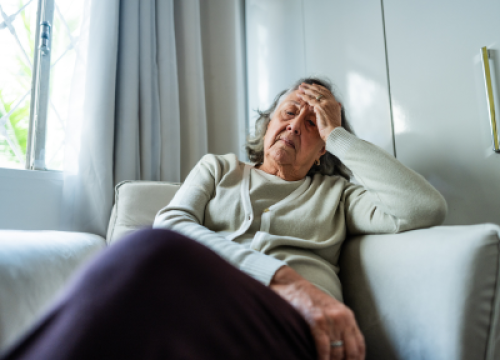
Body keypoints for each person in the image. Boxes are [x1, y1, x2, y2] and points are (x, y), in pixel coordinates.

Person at [1, 78, 447, 360]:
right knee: (136, 270)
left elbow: (422, 208)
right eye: (290, 111)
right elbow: (171, 224)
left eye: (313, 123)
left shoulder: (337, 195)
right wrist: (287, 279)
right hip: (203, 307)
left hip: (292, 325)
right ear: (269, 122)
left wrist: (339, 135)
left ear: (323, 150)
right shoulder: (220, 168)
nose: (295, 125)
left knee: (145, 256)